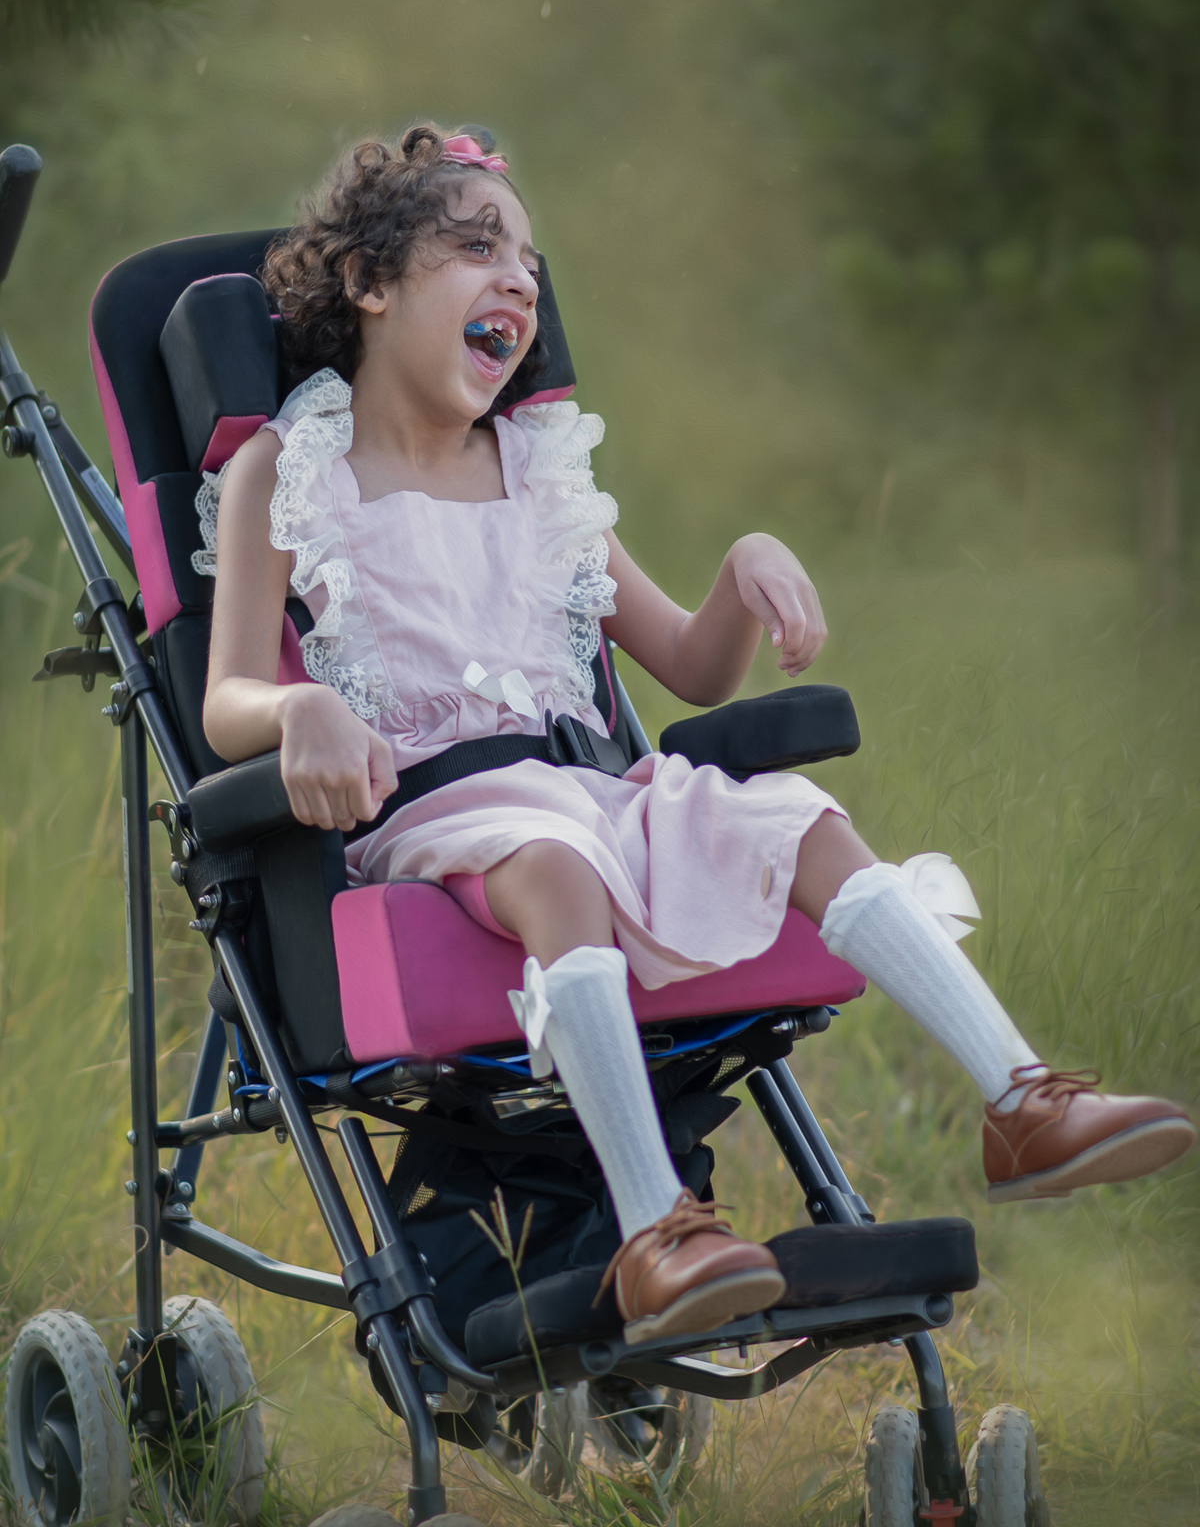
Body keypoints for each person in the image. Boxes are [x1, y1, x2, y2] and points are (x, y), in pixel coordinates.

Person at [199, 124, 1194, 1346]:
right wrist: (300, 707)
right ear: (369, 283)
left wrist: (743, 571)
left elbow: (686, 662)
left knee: (796, 816)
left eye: (528, 261)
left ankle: (1023, 1098)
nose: (518, 278)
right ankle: (657, 1223)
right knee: (557, 863)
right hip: (436, 808)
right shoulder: (294, 470)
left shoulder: (541, 470)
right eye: (476, 248)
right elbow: (226, 695)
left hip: (586, 787)